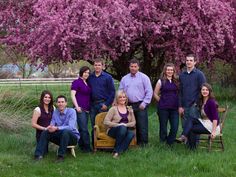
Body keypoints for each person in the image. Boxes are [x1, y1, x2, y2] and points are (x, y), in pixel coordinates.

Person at [34, 95, 80, 162]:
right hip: (61, 137)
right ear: (56, 103)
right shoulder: (55, 112)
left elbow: (71, 127)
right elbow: (52, 123)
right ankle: (38, 155)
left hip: (72, 138)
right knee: (46, 132)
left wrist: (57, 128)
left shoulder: (72, 111)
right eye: (59, 102)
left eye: (62, 102)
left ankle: (61, 157)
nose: (60, 104)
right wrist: (50, 127)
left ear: (66, 103)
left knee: (66, 131)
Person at [119, 59, 153, 146]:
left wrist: (144, 103)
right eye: (131, 66)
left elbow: (149, 91)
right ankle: (132, 142)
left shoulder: (144, 77)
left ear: (138, 67)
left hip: (140, 104)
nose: (133, 68)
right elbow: (120, 91)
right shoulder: (124, 78)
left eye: (135, 66)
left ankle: (143, 144)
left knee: (142, 125)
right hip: (128, 105)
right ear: (129, 67)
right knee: (129, 124)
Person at [177, 83, 220, 150]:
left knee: (192, 129)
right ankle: (184, 137)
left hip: (212, 126)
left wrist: (213, 132)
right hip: (205, 122)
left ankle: (191, 147)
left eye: (206, 90)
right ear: (201, 91)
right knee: (191, 119)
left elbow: (215, 118)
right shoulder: (202, 100)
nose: (205, 91)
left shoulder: (211, 102)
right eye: (203, 90)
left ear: (209, 91)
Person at [88, 59, 116, 146]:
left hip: (103, 104)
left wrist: (106, 104)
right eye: (95, 65)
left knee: (104, 125)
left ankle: (104, 144)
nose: (97, 67)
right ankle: (94, 144)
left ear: (103, 66)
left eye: (99, 65)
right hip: (92, 105)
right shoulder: (90, 77)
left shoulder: (107, 77)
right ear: (93, 66)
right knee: (94, 125)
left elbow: (112, 92)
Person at [104, 90, 136, 158]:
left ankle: (116, 151)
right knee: (122, 128)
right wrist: (118, 125)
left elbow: (133, 123)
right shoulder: (113, 109)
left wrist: (126, 124)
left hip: (124, 129)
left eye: (124, 97)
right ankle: (117, 151)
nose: (122, 99)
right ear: (117, 99)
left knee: (131, 133)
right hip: (113, 130)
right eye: (120, 97)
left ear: (126, 98)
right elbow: (106, 121)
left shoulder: (129, 108)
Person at [153, 63, 179, 146]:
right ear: (165, 71)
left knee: (175, 127)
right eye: (168, 70)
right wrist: (161, 101)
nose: (170, 71)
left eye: (171, 70)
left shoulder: (177, 80)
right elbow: (155, 93)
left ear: (173, 71)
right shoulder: (161, 81)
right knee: (163, 127)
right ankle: (163, 143)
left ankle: (170, 141)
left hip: (174, 108)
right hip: (163, 108)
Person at [179, 54, 206, 129]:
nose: (189, 62)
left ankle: (195, 141)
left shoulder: (200, 74)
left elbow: (204, 90)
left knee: (194, 126)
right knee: (185, 126)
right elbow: (180, 92)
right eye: (187, 60)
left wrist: (197, 103)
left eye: (191, 60)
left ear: (195, 62)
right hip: (184, 106)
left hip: (195, 105)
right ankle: (186, 141)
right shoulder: (182, 75)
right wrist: (180, 106)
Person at [71, 66, 92, 152]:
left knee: (82, 128)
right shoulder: (76, 82)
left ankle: (82, 146)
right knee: (84, 129)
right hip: (80, 109)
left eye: (88, 72)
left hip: (87, 109)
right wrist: (76, 107)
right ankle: (87, 148)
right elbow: (72, 95)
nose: (86, 74)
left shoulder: (87, 83)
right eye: (85, 72)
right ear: (81, 72)